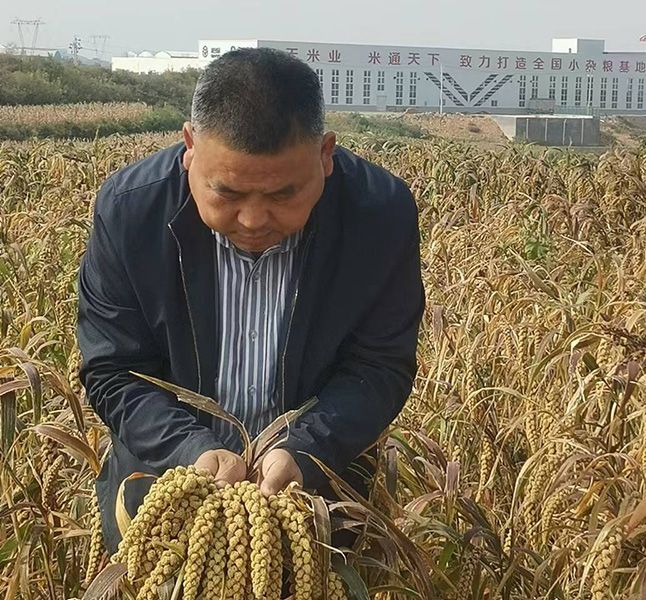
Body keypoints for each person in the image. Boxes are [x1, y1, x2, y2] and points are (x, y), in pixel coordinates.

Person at [77, 47, 425, 553]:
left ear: (326, 155)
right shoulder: (131, 214)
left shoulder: (380, 215)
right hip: (166, 509)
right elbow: (114, 370)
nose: (253, 220)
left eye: (284, 195)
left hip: (316, 510)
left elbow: (379, 365)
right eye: (229, 194)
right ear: (190, 147)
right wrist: (191, 450)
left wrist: (306, 451)